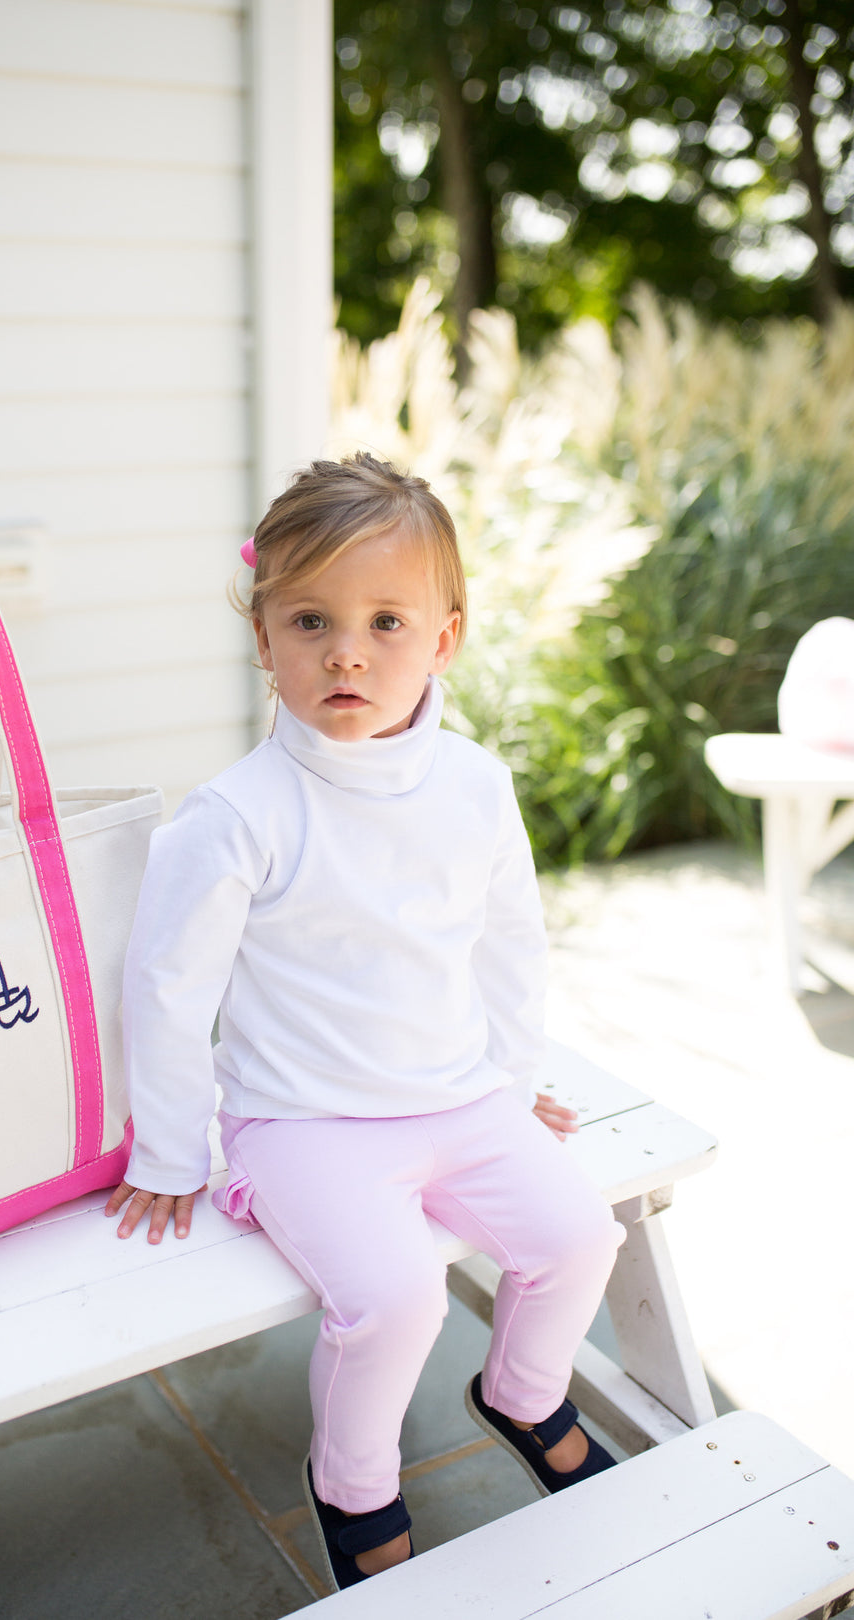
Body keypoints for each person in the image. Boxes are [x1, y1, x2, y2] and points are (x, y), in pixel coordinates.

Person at [105, 453, 625, 1590]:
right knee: (394, 1300)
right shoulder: (240, 814)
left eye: (386, 621)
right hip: (307, 1125)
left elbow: (508, 943)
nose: (348, 651)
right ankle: (354, 1481)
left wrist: (508, 1074)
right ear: (264, 641)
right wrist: (166, 1145)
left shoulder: (475, 786)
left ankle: (523, 1395)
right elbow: (168, 985)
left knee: (584, 1237)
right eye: (311, 620)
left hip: (457, 1096)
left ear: (443, 639)